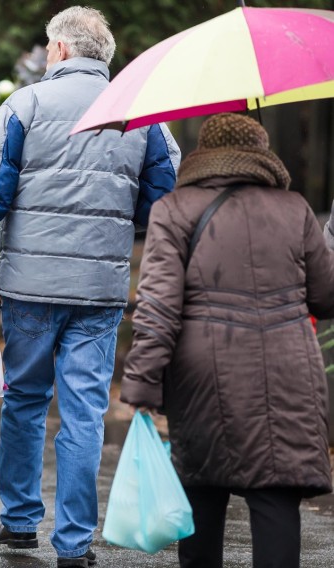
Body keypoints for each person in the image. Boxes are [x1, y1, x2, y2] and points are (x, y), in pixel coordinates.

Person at [0, 7, 180, 567]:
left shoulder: (26, 104)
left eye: (48, 47)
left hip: (31, 286)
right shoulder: (142, 116)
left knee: (24, 400)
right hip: (99, 289)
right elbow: (164, 193)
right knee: (86, 411)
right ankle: (74, 543)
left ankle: (20, 522)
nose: (45, 56)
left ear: (63, 51)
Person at [121, 112, 334, 568]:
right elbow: (327, 295)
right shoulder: (294, 208)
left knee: (202, 493)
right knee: (276, 495)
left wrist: (141, 384)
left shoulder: (174, 209)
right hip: (289, 371)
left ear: (202, 153)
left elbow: (158, 308)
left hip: (203, 378)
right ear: (262, 151)